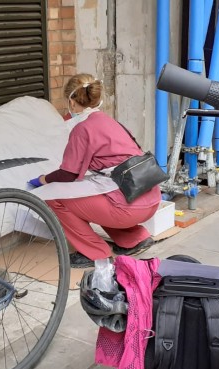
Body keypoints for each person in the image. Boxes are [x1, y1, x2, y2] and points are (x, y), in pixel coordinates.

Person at [28, 73, 161, 268]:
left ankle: (95, 253)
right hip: (151, 200)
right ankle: (135, 239)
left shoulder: (82, 129)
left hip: (127, 209)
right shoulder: (111, 122)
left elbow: (68, 175)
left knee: (53, 197)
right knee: (97, 192)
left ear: (72, 103)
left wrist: (43, 179)